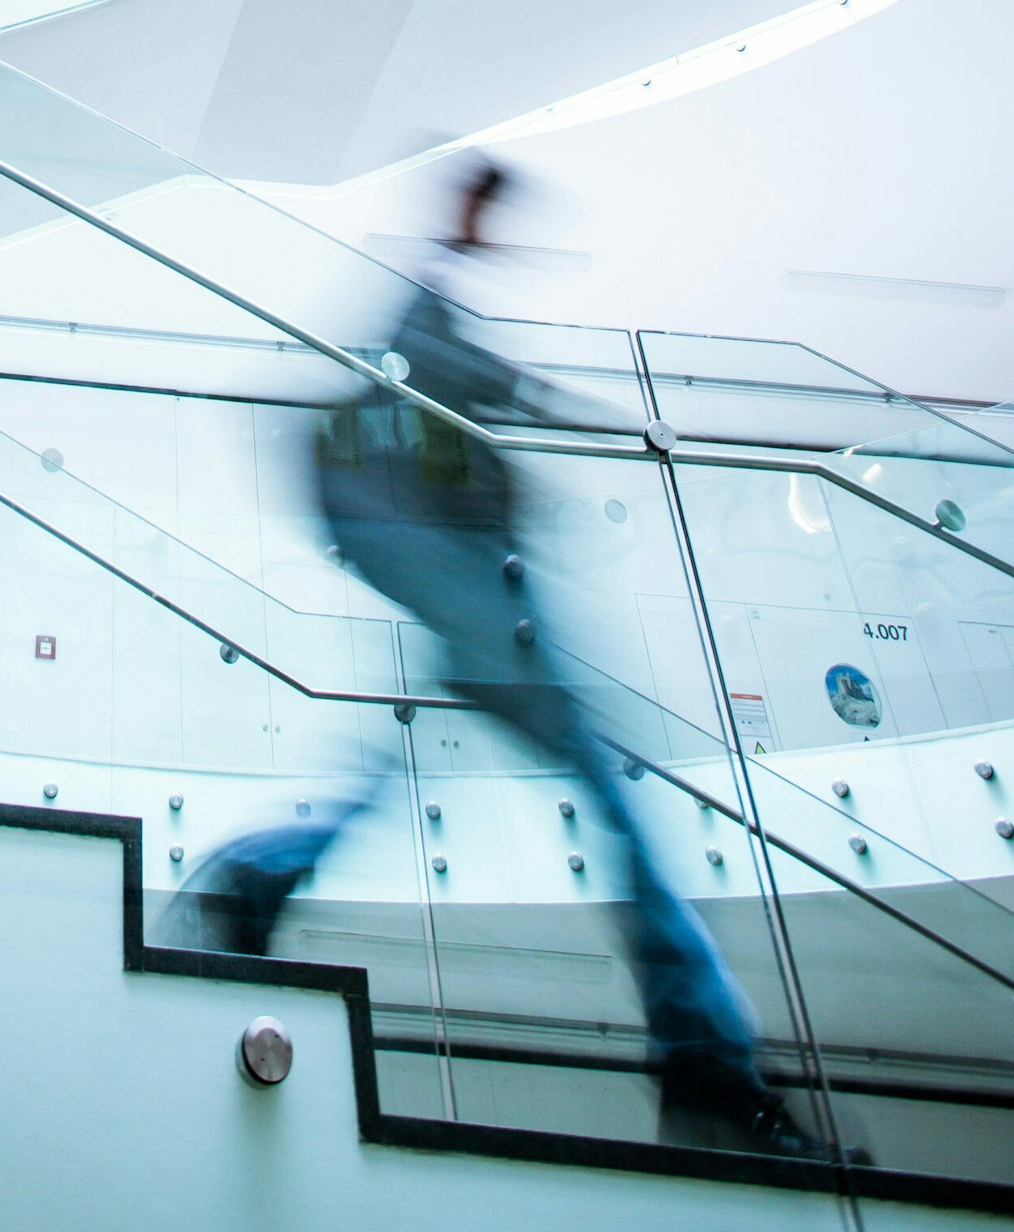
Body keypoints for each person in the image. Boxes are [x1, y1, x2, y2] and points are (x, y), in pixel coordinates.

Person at [158, 163, 864, 1165]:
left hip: (473, 589)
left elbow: (457, 400)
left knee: (441, 773)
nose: (495, 231)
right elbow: (444, 382)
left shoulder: (427, 315)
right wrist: (572, 417)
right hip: (481, 591)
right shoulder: (422, 312)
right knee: (617, 803)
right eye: (484, 213)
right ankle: (704, 1059)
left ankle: (257, 881)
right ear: (466, 210)